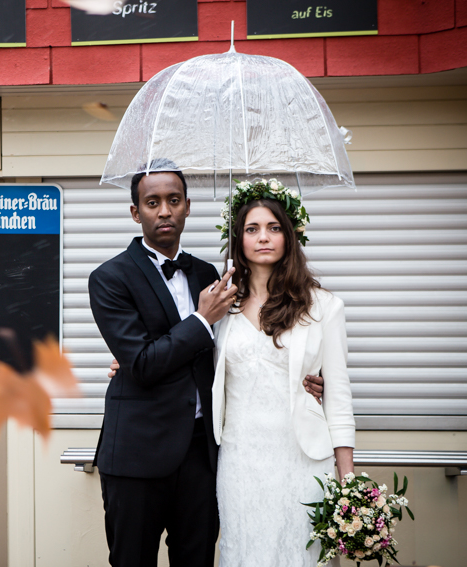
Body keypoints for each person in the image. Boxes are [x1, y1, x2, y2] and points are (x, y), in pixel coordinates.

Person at [90, 164, 326, 567]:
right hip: (137, 455)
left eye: (173, 201)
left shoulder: (209, 275)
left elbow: (237, 351)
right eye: (152, 203)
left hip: (203, 454)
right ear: (135, 213)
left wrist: (307, 379)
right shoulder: (110, 277)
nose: (164, 211)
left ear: (187, 207)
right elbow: (143, 364)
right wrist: (200, 321)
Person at [211, 179, 355, 567]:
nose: (263, 237)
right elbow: (188, 354)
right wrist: (127, 362)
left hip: (302, 459)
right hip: (240, 460)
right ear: (238, 238)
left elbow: (339, 397)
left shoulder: (324, 307)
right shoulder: (220, 306)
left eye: (274, 228)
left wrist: (348, 480)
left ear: (289, 236)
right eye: (252, 228)